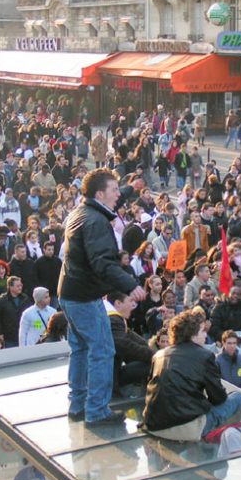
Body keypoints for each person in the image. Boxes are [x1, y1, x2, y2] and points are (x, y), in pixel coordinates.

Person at [59, 169, 145, 425]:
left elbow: (114, 199)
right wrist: (131, 285)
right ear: (100, 194)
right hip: (85, 297)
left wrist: (131, 186)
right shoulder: (96, 223)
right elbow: (104, 264)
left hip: (70, 293)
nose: (118, 195)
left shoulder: (84, 210)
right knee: (103, 350)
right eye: (114, 190)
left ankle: (78, 405)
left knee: (81, 348)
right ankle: (96, 411)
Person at [143, 310, 241, 441]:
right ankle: (220, 439)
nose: (206, 335)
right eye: (203, 331)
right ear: (192, 334)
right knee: (238, 397)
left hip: (152, 425)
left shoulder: (158, 355)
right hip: (187, 428)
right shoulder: (205, 356)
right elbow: (218, 399)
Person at [107, 291, 154, 395]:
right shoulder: (112, 319)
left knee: (151, 360)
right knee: (153, 364)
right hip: (107, 378)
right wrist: (156, 356)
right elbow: (125, 346)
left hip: (111, 372)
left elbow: (138, 341)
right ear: (118, 303)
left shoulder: (115, 319)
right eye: (130, 301)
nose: (133, 305)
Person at [0, 276, 33, 348]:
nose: (20, 287)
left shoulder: (25, 299)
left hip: (23, 335)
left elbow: (33, 315)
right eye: (18, 286)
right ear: (10, 287)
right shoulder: (2, 300)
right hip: (8, 338)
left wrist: (37, 328)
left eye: (21, 285)